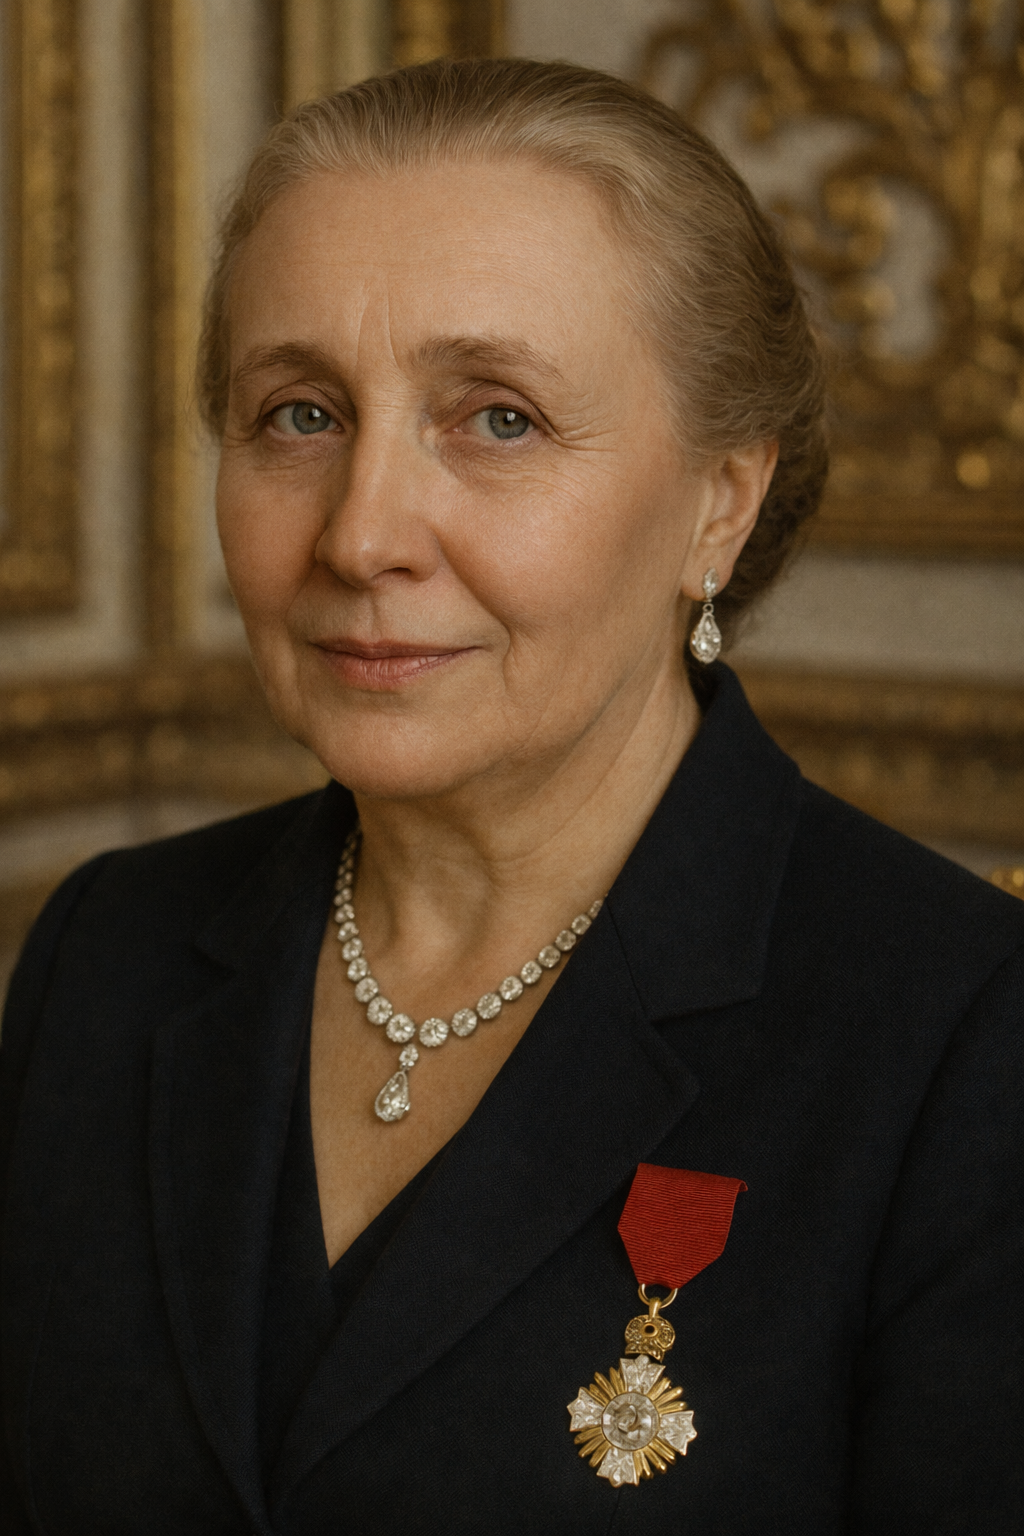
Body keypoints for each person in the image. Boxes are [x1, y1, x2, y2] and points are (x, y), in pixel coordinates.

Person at [0, 58, 1020, 1536]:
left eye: (498, 421)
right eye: (298, 414)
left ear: (718, 502)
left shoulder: (964, 1044)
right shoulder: (107, 949)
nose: (362, 535)